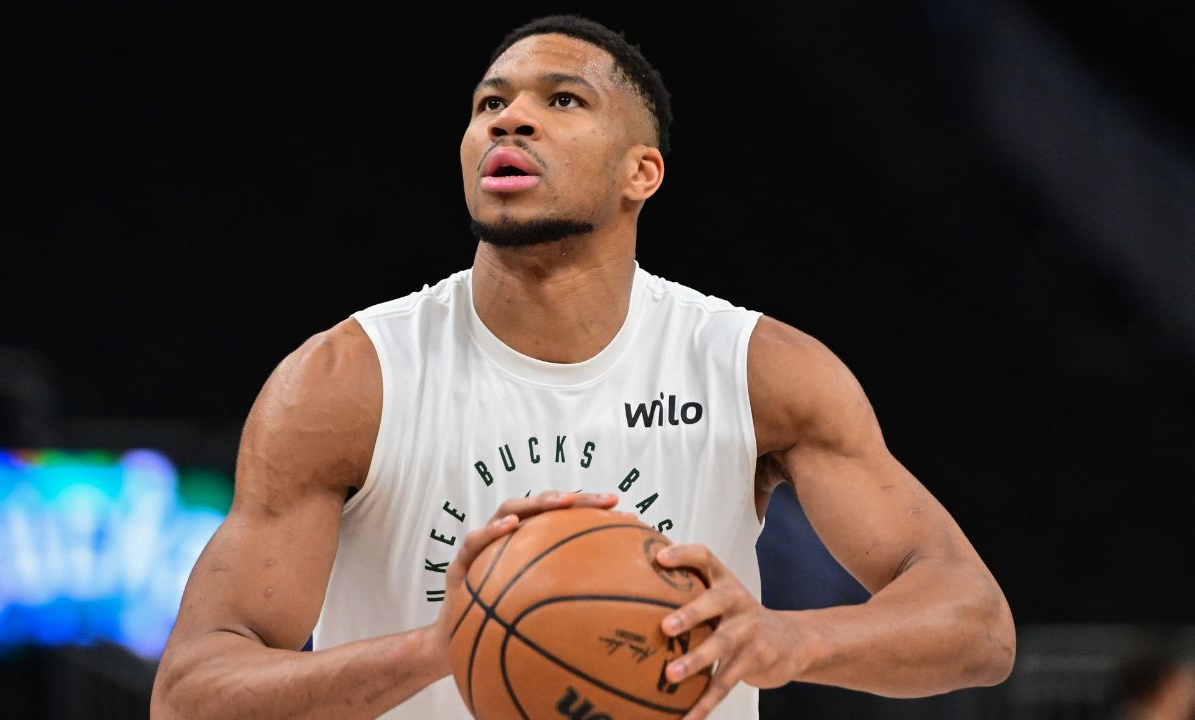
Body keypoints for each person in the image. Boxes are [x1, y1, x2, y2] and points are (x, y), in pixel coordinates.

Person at [149, 14, 1015, 720]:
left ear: (643, 172)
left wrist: (789, 642)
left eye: (562, 100)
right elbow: (191, 694)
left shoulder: (756, 368)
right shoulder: (349, 380)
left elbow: (975, 625)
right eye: (490, 103)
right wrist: (438, 647)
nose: (509, 119)